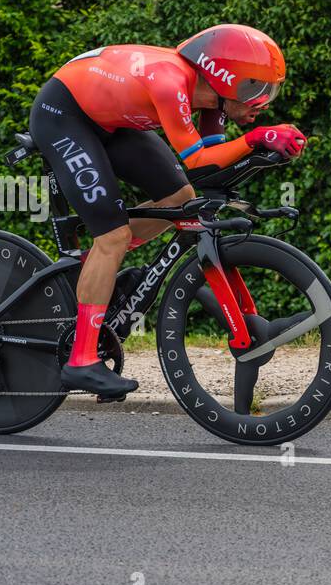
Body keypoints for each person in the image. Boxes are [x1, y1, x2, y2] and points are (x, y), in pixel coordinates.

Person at [27, 24, 307, 397]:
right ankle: (81, 360)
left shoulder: (211, 101)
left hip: (110, 121)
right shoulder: (170, 82)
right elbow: (199, 161)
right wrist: (257, 138)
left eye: (270, 90)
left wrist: (262, 151)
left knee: (181, 198)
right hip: (63, 115)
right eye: (256, 89)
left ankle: (102, 268)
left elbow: (213, 172)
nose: (263, 102)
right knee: (112, 236)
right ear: (226, 81)